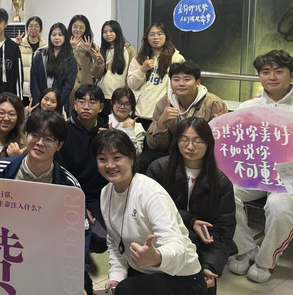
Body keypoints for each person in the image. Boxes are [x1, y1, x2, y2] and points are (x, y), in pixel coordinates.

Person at [0, 109, 94, 295]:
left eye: (49, 139)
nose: (40, 143)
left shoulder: (69, 186)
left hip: (47, 262)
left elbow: (80, 236)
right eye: (35, 135)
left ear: (59, 145)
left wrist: (77, 278)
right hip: (2, 257)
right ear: (27, 136)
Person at [94, 129, 206, 295]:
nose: (109, 165)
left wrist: (157, 257)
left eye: (117, 158)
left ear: (132, 158)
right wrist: (116, 276)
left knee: (126, 290)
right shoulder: (106, 193)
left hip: (182, 276)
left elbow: (177, 244)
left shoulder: (151, 193)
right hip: (144, 271)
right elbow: (114, 241)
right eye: (102, 159)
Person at [147, 118, 237, 294]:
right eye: (184, 140)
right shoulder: (158, 170)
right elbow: (151, 211)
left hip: (201, 251)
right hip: (163, 244)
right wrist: (191, 220)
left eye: (198, 141)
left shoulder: (220, 182)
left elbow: (223, 230)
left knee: (205, 284)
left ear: (208, 143)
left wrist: (210, 265)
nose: (190, 147)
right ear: (176, 141)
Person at [229, 49, 293, 282]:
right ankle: (246, 250)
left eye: (279, 71)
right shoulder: (248, 107)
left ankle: (266, 260)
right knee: (222, 192)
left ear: (291, 74)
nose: (272, 77)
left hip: (289, 175)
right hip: (255, 171)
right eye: (266, 72)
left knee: (279, 207)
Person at [143, 61, 226, 171]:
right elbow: (155, 146)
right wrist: (161, 123)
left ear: (198, 83)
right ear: (170, 83)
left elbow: (223, 144)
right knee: (145, 160)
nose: (181, 83)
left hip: (201, 156)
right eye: (176, 79)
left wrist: (217, 128)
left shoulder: (213, 103)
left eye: (187, 79)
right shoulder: (164, 102)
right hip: (172, 154)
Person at [56, 84, 109, 252]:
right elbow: (60, 173)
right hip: (68, 196)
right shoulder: (63, 131)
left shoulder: (107, 133)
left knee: (103, 240)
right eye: (81, 101)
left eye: (92, 102)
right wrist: (78, 205)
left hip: (99, 197)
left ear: (101, 107)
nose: (86, 106)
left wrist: (111, 143)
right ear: (75, 105)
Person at [127, 22, 184, 130]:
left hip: (162, 113)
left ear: (166, 36)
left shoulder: (176, 58)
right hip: (139, 112)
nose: (155, 37)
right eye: (152, 34)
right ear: (147, 38)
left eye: (159, 34)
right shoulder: (139, 58)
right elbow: (132, 85)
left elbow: (180, 86)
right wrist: (142, 69)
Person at [30, 22, 77, 117]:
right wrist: (40, 101)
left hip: (58, 105)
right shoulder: (41, 55)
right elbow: (33, 80)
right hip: (40, 104)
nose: (57, 38)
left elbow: (68, 85)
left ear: (65, 37)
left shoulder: (70, 59)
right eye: (54, 35)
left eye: (60, 35)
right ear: (50, 37)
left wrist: (55, 103)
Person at [94, 20, 136, 114]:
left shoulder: (128, 50)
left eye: (111, 31)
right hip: (102, 94)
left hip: (119, 97)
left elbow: (132, 74)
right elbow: (96, 75)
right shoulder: (101, 50)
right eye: (105, 32)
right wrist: (99, 63)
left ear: (117, 32)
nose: (108, 34)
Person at [67, 15, 104, 111]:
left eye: (81, 27)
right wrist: (70, 48)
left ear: (86, 29)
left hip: (86, 86)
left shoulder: (92, 46)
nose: (78, 30)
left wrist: (91, 52)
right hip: (69, 87)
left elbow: (97, 74)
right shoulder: (65, 44)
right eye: (75, 27)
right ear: (71, 27)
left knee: (86, 112)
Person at [15, 16, 46, 104]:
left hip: (38, 89)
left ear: (40, 29)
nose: (33, 28)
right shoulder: (20, 46)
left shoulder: (45, 48)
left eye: (36, 26)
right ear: (27, 28)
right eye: (30, 26)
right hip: (23, 90)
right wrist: (15, 45)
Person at [108, 87, 145, 155]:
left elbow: (137, 153)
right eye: (118, 102)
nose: (122, 107)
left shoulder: (138, 127)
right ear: (112, 103)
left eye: (127, 103)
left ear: (132, 106)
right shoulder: (104, 121)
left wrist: (130, 132)